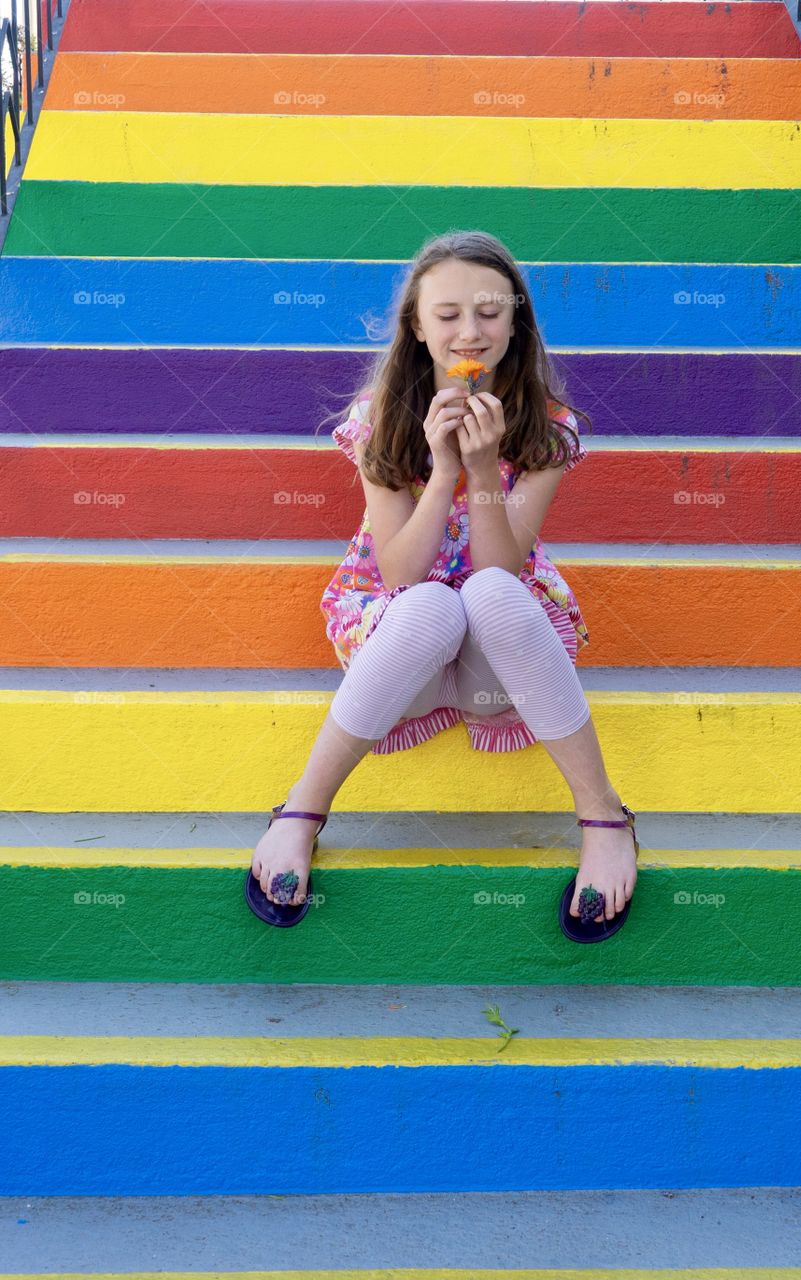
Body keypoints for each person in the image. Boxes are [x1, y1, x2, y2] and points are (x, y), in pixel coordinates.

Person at [247, 230, 637, 931]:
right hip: (408, 650)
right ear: (417, 328)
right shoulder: (381, 420)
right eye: (448, 314)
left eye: (490, 312)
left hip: (501, 663)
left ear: (516, 325)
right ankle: (300, 811)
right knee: (430, 604)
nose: (469, 331)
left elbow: (498, 569)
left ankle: (604, 817)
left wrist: (484, 470)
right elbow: (398, 570)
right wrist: (446, 467)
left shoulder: (548, 428)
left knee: (485, 593)